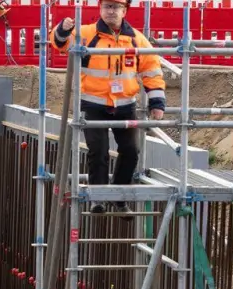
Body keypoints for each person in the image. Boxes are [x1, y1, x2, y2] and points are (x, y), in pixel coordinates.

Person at [52, 0, 165, 212]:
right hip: (93, 104)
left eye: (115, 7)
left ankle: (119, 197)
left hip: (125, 105)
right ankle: (98, 197)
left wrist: (157, 102)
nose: (111, 11)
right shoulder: (86, 33)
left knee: (131, 151)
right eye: (107, 7)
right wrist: (62, 30)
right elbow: (59, 43)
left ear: (124, 10)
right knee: (98, 150)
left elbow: (152, 71)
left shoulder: (136, 39)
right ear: (100, 9)